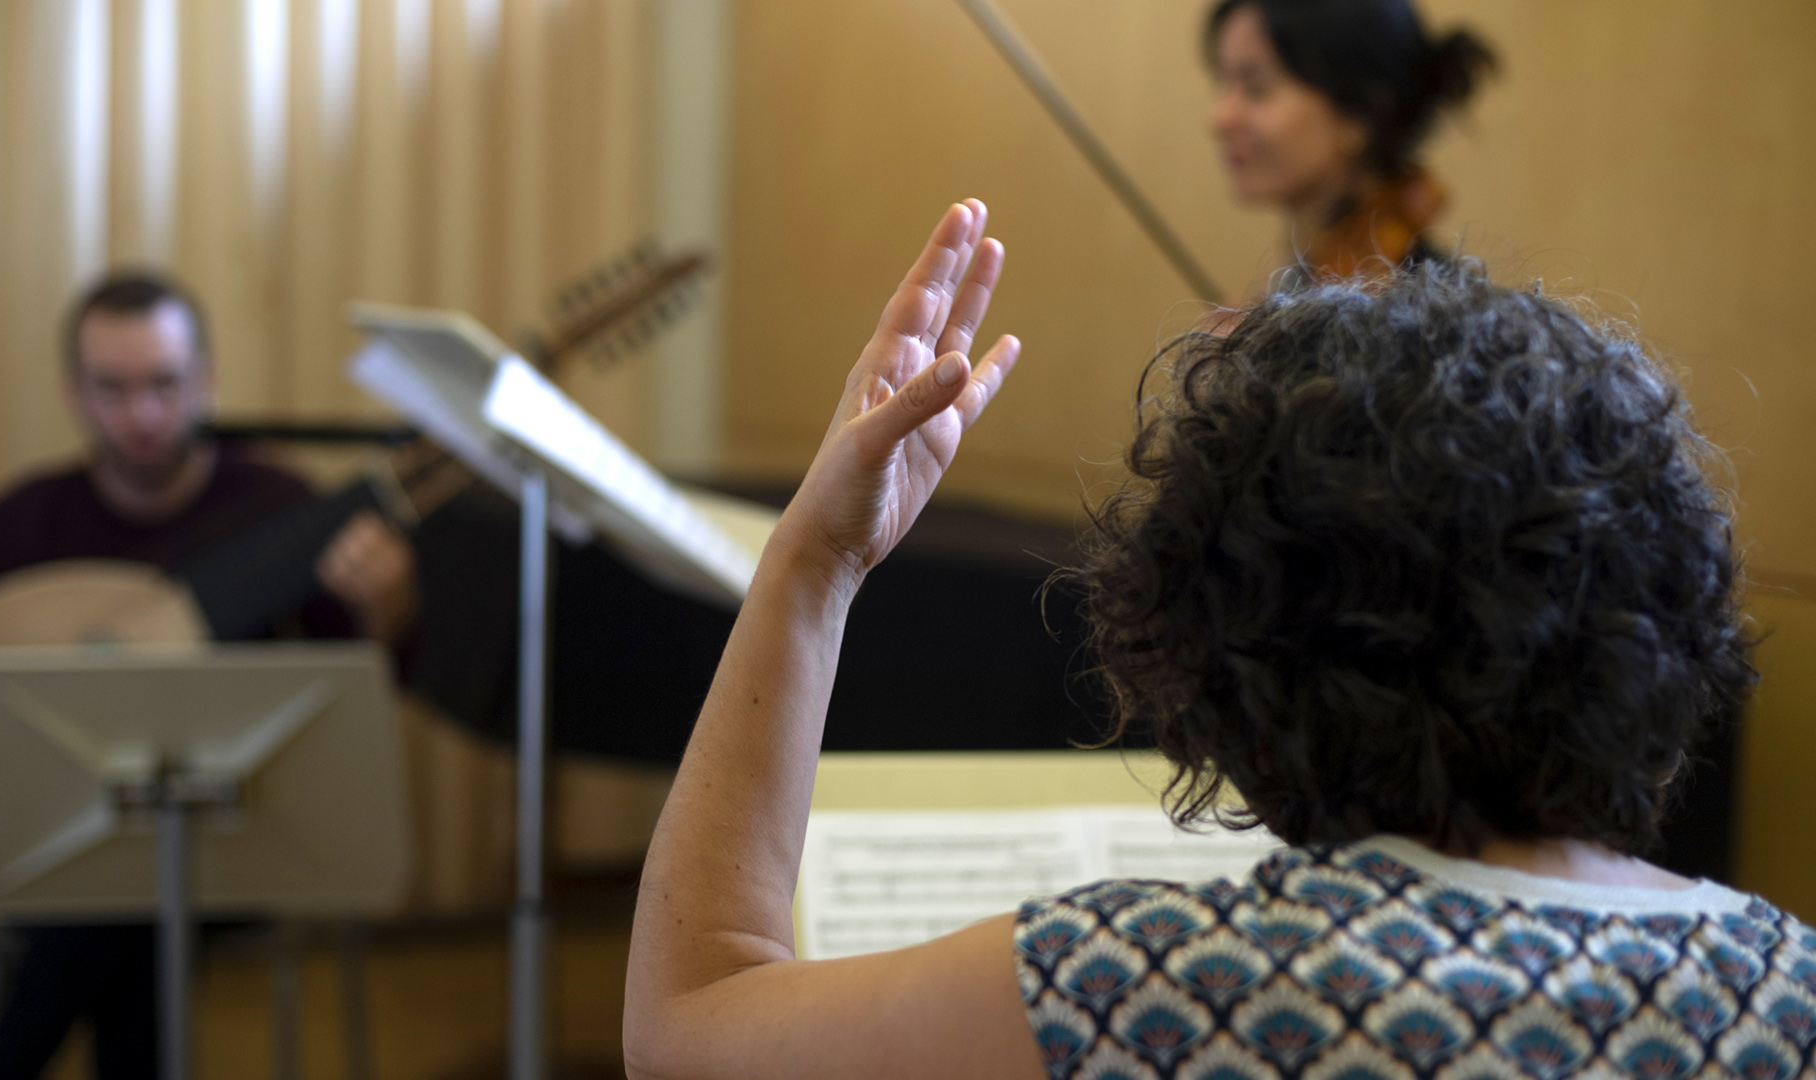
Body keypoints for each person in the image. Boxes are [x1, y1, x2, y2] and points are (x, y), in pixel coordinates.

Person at [620, 202, 1807, 1080]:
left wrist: (815, 563)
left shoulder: (1142, 978)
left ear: (1218, 635)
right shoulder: (1785, 992)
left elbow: (688, 1026)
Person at [0, 270, 418, 1079]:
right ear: (74, 393)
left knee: (139, 881)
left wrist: (390, 607)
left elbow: (366, 683)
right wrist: (13, 729)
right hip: (58, 850)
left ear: (205, 380)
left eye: (164, 385)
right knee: (129, 890)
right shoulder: (22, 525)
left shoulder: (279, 510)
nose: (141, 415)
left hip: (240, 846)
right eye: (112, 388)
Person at [1205, 0, 1497, 278]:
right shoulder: (1312, 268)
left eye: (1257, 87)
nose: (1220, 118)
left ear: (1359, 116)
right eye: (1223, 81)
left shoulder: (1425, 316)